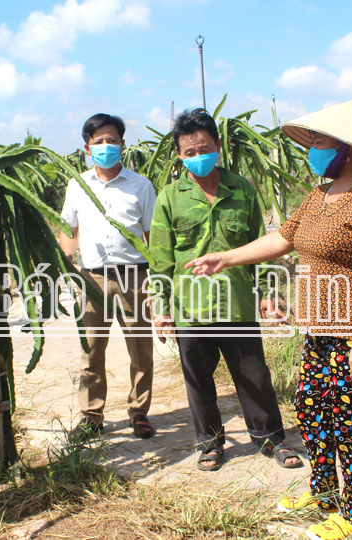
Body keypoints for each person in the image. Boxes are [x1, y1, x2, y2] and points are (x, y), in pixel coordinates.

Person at [185, 100, 352, 540]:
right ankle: (324, 494)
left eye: (320, 142)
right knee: (313, 411)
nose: (314, 150)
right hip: (321, 332)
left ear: (348, 149)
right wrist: (227, 257)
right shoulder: (319, 196)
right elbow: (282, 238)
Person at [148, 108, 302, 471]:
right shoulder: (170, 198)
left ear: (217, 145)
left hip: (237, 304)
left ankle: (270, 439)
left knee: (254, 376)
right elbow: (160, 259)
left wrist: (267, 292)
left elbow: (261, 248)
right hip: (190, 308)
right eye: (189, 151)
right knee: (198, 381)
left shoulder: (242, 190)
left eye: (204, 148)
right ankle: (209, 443)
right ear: (179, 155)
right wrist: (161, 307)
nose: (198, 156)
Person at [58, 113, 157, 440]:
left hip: (134, 276)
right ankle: (91, 416)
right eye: (98, 141)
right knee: (92, 349)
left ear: (123, 144)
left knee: (140, 348)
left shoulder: (141, 186)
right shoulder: (78, 185)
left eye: (112, 140)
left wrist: (157, 282)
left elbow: (151, 236)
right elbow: (69, 230)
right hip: (92, 279)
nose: (106, 146)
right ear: (88, 148)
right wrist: (65, 263)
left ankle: (139, 411)